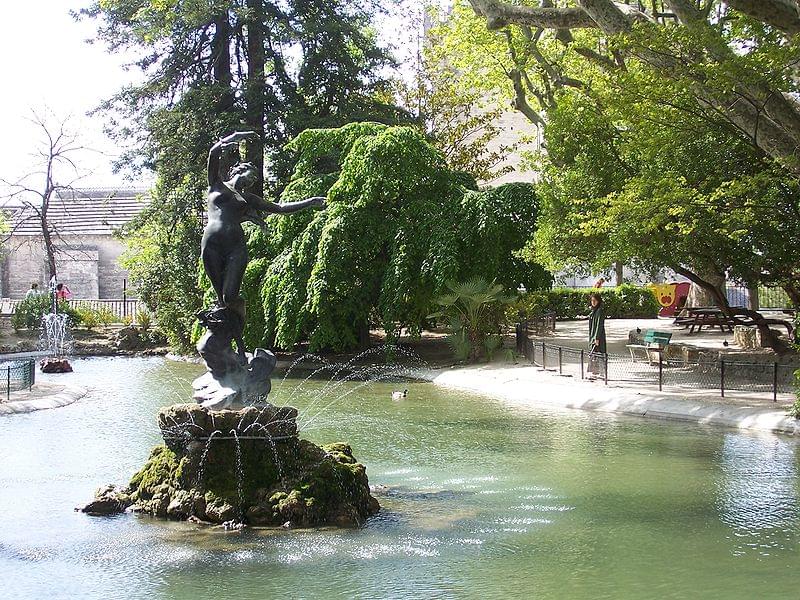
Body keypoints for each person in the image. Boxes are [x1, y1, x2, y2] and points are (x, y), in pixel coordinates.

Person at [201, 131, 326, 361]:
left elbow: (279, 207)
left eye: (255, 180)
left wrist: (310, 202)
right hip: (211, 245)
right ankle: (230, 347)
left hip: (235, 247)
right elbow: (213, 152)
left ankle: (239, 318)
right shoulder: (216, 185)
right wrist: (235, 137)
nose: (252, 181)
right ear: (238, 170)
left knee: (230, 298)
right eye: (250, 175)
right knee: (220, 302)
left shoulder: (248, 199)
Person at [588, 292, 607, 378]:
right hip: (593, 336)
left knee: (599, 353)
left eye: (595, 300)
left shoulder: (599, 311)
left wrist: (597, 338)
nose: (593, 302)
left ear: (598, 301)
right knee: (594, 354)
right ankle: (595, 372)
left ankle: (602, 372)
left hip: (598, 337)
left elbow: (599, 325)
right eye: (592, 300)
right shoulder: (593, 311)